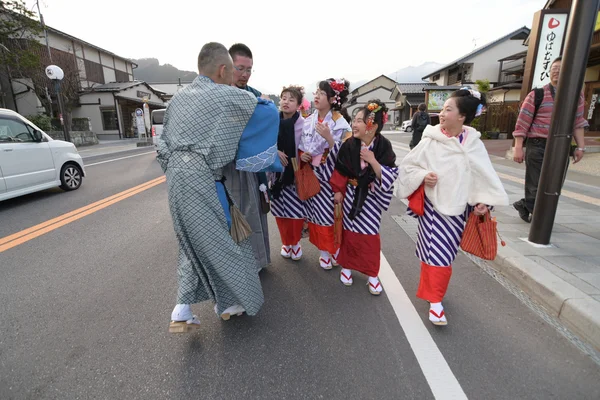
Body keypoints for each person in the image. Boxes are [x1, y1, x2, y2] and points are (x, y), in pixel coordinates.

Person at [157, 42, 280, 332]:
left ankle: (183, 310)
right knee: (225, 244)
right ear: (223, 69)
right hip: (204, 180)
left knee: (192, 245)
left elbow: (162, 145)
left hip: (176, 180)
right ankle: (232, 302)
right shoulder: (225, 95)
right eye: (237, 69)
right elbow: (268, 112)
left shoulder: (179, 99)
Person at [398, 88, 509, 326]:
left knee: (442, 255)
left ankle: (432, 291)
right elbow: (408, 166)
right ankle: (436, 302)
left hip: (460, 211)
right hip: (434, 209)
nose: (442, 113)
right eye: (443, 109)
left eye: (449, 109)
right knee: (438, 254)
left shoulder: (473, 144)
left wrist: (483, 201)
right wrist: (423, 175)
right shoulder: (431, 139)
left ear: (462, 116)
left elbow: (483, 177)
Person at [329, 99, 398, 295]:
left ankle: (372, 274)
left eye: (359, 121)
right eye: (355, 120)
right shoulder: (349, 145)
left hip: (371, 198)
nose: (354, 124)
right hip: (351, 195)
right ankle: (347, 267)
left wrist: (373, 161)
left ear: (372, 126)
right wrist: (338, 190)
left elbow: (391, 173)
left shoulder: (384, 145)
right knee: (349, 233)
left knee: (369, 237)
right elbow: (340, 170)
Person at [512, 57, 589, 223]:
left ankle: (526, 206)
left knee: (555, 184)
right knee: (535, 183)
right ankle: (538, 217)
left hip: (561, 145)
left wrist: (581, 147)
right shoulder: (537, 94)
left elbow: (578, 122)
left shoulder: (577, 96)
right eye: (554, 69)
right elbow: (523, 121)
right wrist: (518, 147)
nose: (556, 72)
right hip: (538, 143)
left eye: (561, 69)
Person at [222, 43, 272, 270]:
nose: (245, 74)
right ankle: (234, 268)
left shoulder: (255, 96)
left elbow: (267, 130)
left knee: (252, 214)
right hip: (225, 167)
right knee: (227, 217)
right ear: (227, 66)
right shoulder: (218, 94)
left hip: (250, 167)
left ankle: (256, 262)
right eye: (240, 68)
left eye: (249, 69)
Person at [299, 78, 352, 270]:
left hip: (330, 178)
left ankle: (335, 250)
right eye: (316, 92)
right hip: (312, 176)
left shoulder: (340, 123)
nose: (316, 96)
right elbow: (303, 144)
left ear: (331, 99)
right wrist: (304, 154)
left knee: (331, 217)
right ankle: (323, 252)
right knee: (315, 217)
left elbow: (347, 155)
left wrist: (330, 139)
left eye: (321, 93)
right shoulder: (309, 119)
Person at [270, 85, 306, 261]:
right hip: (276, 174)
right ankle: (286, 242)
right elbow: (264, 142)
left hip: (295, 174)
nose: (286, 102)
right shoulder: (272, 121)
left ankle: (296, 242)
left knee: (296, 212)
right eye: (284, 98)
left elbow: (309, 146)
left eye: (291, 99)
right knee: (279, 211)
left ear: (299, 105)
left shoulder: (303, 125)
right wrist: (274, 151)